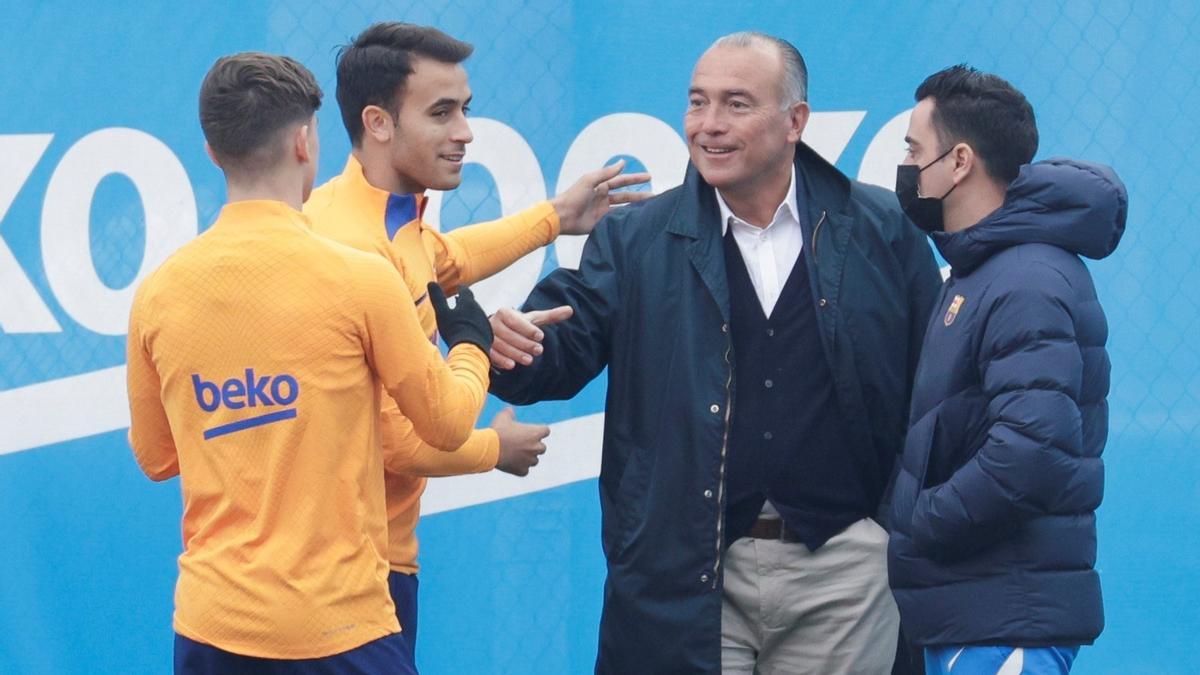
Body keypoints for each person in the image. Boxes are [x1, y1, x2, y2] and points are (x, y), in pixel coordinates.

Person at [488, 32, 941, 674]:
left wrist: (889, 529)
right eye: (697, 103)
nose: (708, 126)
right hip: (687, 570)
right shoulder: (635, 238)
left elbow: (936, 383)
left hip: (844, 570)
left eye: (735, 104)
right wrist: (510, 346)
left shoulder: (880, 227)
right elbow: (557, 348)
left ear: (796, 121)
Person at [126, 52, 494, 673]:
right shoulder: (360, 280)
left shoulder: (158, 293)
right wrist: (470, 346)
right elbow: (449, 422)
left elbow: (157, 457)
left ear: (214, 153)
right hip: (340, 624)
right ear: (304, 141)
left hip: (211, 626)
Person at [302, 22, 649, 662]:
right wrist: (496, 446)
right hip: (351, 573)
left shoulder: (383, 216)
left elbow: (446, 258)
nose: (465, 131)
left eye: (466, 109)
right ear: (379, 123)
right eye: (442, 113)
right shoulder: (352, 247)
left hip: (370, 558)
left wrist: (555, 218)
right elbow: (390, 440)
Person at [884, 65, 1125, 674]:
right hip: (976, 614)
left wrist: (919, 520)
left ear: (959, 161)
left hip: (1004, 619)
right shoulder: (980, 271)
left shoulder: (1025, 280)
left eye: (915, 149)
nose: (906, 167)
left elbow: (1031, 454)